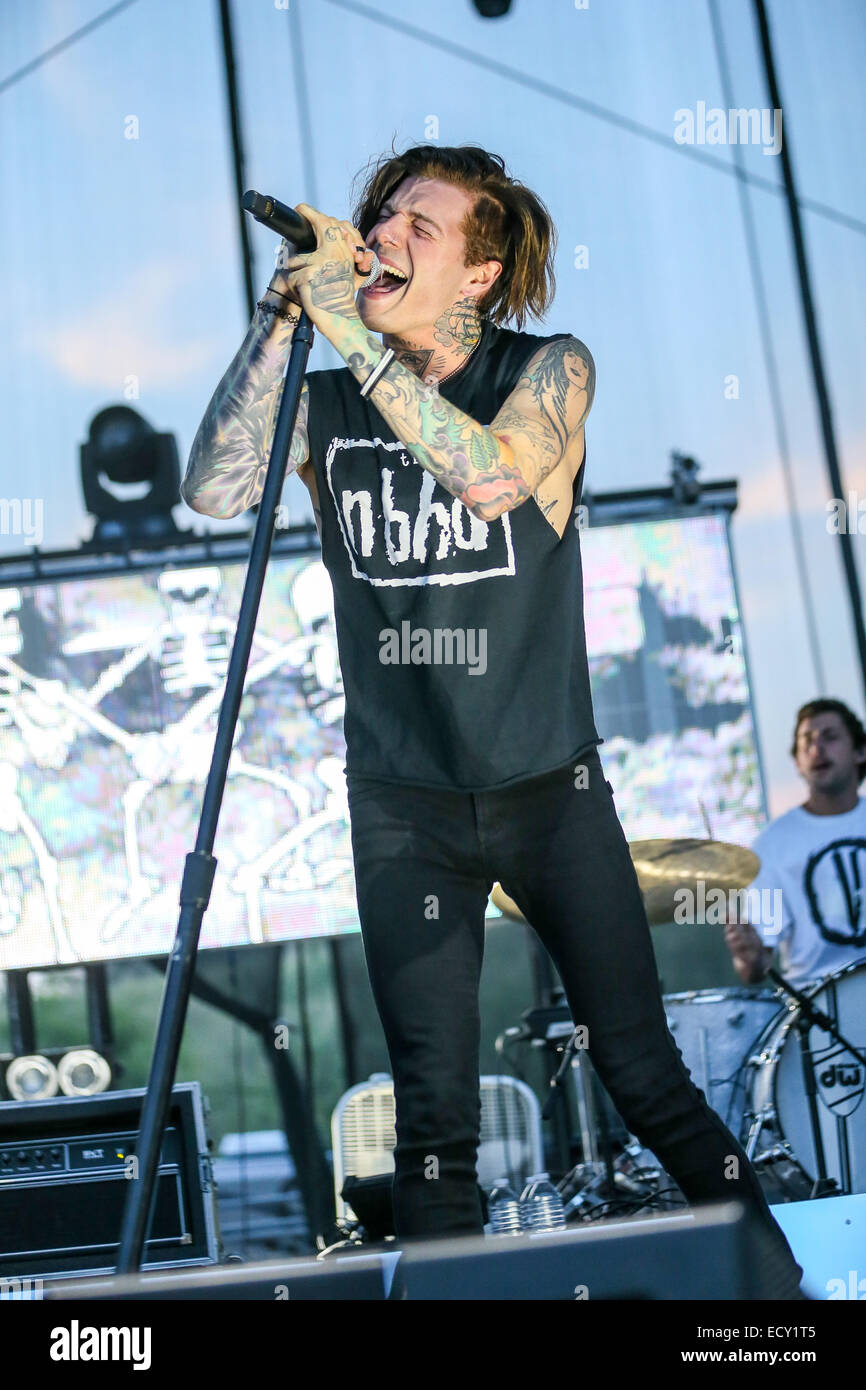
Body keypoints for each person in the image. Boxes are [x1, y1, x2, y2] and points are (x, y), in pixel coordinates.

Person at [181, 144, 804, 1296]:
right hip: (403, 800)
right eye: (381, 215)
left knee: (641, 1070)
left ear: (476, 273)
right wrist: (283, 318)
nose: (385, 232)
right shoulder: (325, 397)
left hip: (546, 791)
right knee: (429, 1110)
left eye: (421, 222)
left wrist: (355, 340)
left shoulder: (547, 371)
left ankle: (781, 1296)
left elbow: (491, 478)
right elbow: (213, 488)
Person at [725, 698, 866, 988]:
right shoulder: (771, 845)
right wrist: (747, 955)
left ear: (860, 751)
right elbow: (755, 969)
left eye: (830, 737)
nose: (817, 749)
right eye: (807, 743)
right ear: (798, 763)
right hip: (818, 1009)